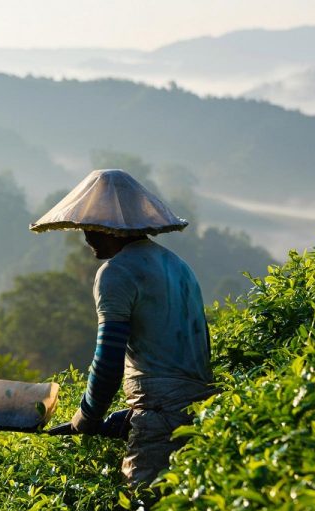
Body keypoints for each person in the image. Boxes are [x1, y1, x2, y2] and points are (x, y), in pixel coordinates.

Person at [32, 169, 214, 486]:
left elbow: (109, 360)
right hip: (204, 412)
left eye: (93, 227)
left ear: (114, 228)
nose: (87, 237)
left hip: (161, 418)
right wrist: (124, 419)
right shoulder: (178, 266)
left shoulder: (116, 273)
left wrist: (87, 417)